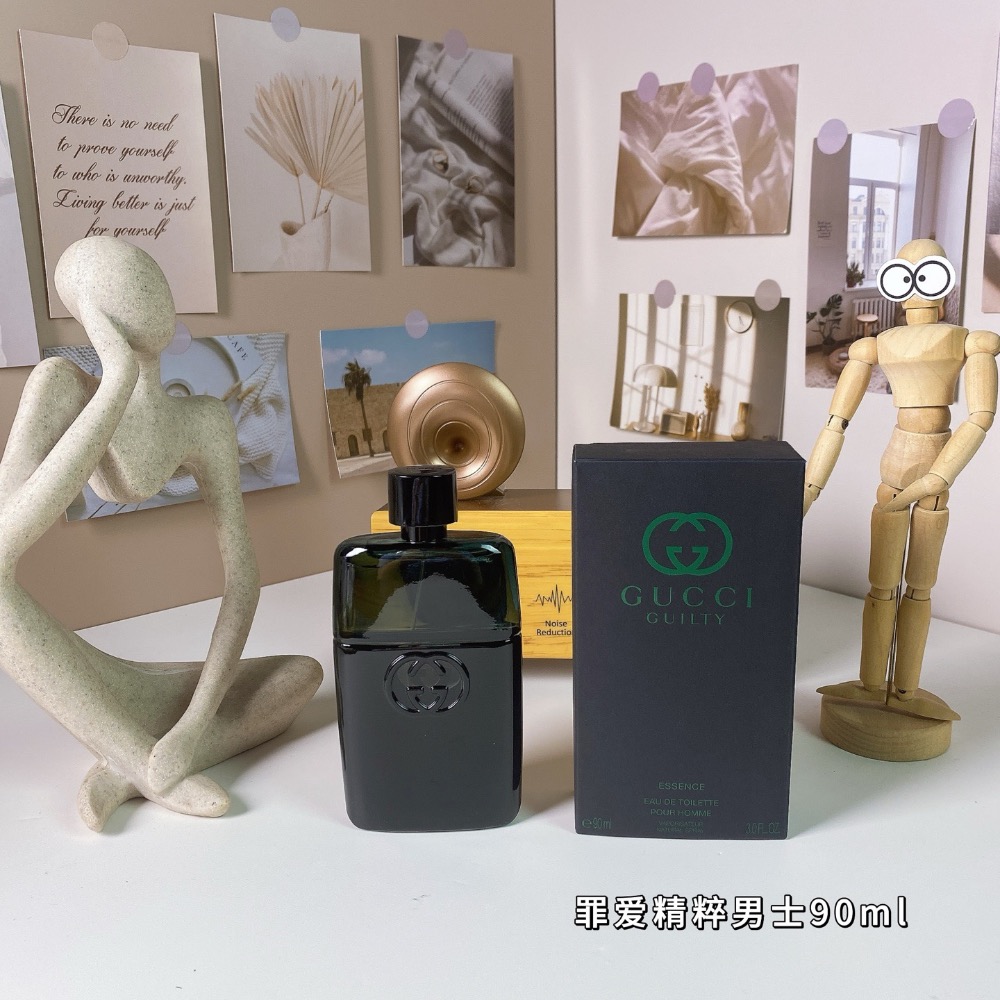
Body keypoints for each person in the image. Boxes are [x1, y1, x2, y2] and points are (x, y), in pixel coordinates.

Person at [0, 237, 320, 829]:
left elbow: (243, 582)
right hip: (89, 674)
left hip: (151, 697)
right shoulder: (61, 387)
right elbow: (3, 545)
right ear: (91, 312)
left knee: (303, 675)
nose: (151, 298)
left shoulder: (203, 420)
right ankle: (141, 764)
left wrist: (193, 725)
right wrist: (116, 378)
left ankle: (143, 759)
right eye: (123, 285)